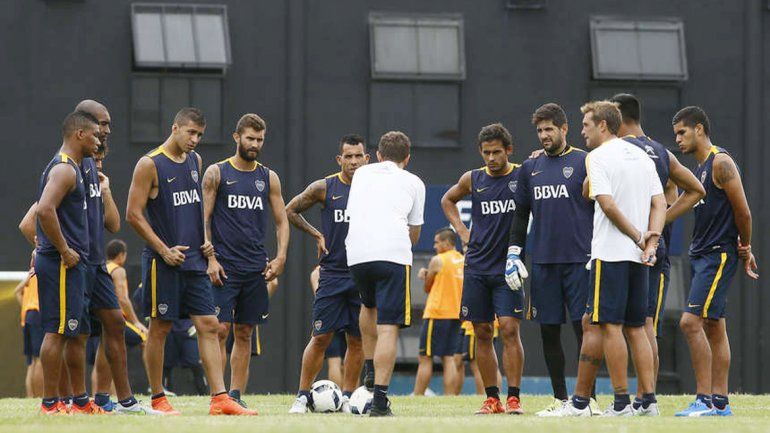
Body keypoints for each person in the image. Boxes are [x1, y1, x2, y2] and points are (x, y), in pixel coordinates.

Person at [126, 107, 254, 415]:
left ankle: (220, 399)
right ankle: (158, 398)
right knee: (160, 328)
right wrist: (163, 249)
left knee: (210, 325)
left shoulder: (196, 162)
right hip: (163, 262)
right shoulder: (149, 164)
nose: (195, 140)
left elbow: (196, 209)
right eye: (190, 133)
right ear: (174, 128)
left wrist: (206, 245)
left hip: (196, 262)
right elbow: (133, 213)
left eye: (199, 135)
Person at [557, 101, 665, 417]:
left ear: (603, 125)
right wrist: (652, 240)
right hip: (639, 256)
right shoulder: (643, 156)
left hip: (612, 254)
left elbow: (606, 204)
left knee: (610, 327)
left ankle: (620, 403)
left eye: (586, 125)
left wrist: (636, 236)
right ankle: (647, 402)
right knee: (635, 327)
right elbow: (659, 203)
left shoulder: (598, 157)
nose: (582, 131)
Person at [610, 94, 705, 410]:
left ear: (619, 119)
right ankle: (645, 398)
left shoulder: (620, 149)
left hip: (629, 247)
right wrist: (663, 218)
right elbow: (695, 189)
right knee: (644, 324)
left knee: (627, 325)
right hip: (656, 248)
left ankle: (639, 398)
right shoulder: (662, 151)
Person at [504, 103, 599, 416]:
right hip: (544, 263)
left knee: (583, 330)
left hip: (579, 261)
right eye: (540, 131)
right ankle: (561, 399)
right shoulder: (530, 168)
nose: (544, 135)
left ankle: (588, 400)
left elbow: (602, 207)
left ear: (564, 129)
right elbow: (520, 215)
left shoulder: (586, 161)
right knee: (548, 330)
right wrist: (514, 252)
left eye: (549, 129)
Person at [672, 106, 758, 417]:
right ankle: (720, 404)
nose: (678, 139)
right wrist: (656, 227)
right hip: (702, 255)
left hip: (718, 255)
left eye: (682, 132)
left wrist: (745, 247)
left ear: (699, 129)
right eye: (676, 134)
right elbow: (684, 201)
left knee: (689, 322)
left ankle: (704, 399)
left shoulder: (720, 163)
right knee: (713, 326)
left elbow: (744, 212)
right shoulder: (698, 170)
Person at [202, 113, 289, 409]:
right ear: (236, 137)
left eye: (260, 140)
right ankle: (219, 394)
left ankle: (236, 396)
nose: (255, 144)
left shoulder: (268, 177)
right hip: (224, 266)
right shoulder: (217, 172)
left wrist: (280, 256)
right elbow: (204, 218)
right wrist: (210, 258)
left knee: (245, 331)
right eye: (250, 138)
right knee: (219, 329)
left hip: (256, 267)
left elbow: (281, 221)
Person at [441, 123, 525, 415]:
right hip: (477, 265)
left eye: (497, 152)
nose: (491, 158)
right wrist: (463, 233)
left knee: (511, 329)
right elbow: (447, 200)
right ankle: (492, 399)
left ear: (509, 150)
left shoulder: (521, 175)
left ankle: (514, 397)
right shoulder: (473, 178)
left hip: (508, 268)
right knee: (483, 331)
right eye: (486, 153)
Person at [286, 134, 369, 414]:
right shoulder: (325, 187)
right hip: (332, 274)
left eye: (359, 156)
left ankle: (346, 398)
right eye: (349, 156)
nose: (354, 161)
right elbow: (291, 210)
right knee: (320, 337)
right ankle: (301, 396)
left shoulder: (374, 189)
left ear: (367, 159)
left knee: (357, 340)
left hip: (362, 274)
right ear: (340, 159)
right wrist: (316, 233)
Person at [346, 131, 425, 416]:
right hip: (391, 254)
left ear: (378, 155)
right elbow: (414, 235)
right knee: (389, 325)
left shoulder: (361, 174)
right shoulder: (414, 181)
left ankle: (369, 369)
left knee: (368, 305)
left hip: (356, 253)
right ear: (407, 158)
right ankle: (379, 400)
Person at [35, 110, 100, 415]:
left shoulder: (73, 167)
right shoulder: (65, 170)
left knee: (69, 331)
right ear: (79, 135)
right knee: (56, 332)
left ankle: (76, 401)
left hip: (72, 264)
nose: (99, 141)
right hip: (63, 263)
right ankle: (50, 404)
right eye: (95, 135)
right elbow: (44, 210)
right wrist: (63, 249)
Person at [413, 228, 463, 396]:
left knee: (425, 357)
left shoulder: (437, 260)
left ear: (447, 243)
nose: (434, 246)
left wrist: (424, 275)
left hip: (437, 313)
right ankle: (449, 397)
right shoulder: (463, 260)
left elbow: (428, 287)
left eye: (437, 242)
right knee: (448, 357)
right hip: (456, 314)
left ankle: (417, 396)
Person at [16, 251, 43, 398]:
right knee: (40, 359)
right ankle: (40, 396)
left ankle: (30, 396)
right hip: (38, 314)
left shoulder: (31, 275)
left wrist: (25, 308)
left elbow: (17, 291)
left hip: (27, 317)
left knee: (32, 361)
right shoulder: (42, 273)